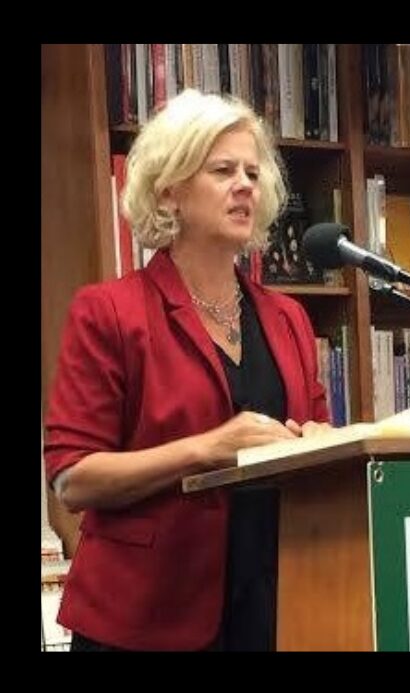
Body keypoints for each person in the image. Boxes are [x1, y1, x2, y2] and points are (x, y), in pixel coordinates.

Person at [43, 89, 331, 651]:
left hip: (278, 604)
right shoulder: (109, 311)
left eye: (253, 171)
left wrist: (320, 442)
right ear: (170, 188)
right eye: (223, 169)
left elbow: (316, 433)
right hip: (145, 618)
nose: (246, 184)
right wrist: (207, 448)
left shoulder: (288, 318)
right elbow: (72, 477)